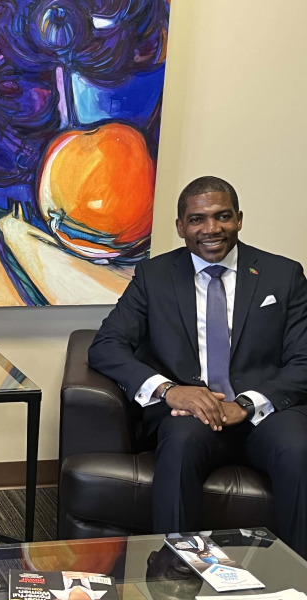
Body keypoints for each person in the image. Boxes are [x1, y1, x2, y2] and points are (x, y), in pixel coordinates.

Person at [88, 175, 307, 558]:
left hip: (265, 409)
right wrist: (171, 390)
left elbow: (303, 359)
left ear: (239, 219)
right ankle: (174, 573)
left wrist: (245, 404)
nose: (211, 229)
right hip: (190, 411)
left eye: (222, 217)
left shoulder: (283, 275)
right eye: (197, 219)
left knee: (299, 449)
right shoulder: (154, 277)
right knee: (181, 444)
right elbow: (106, 345)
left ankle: (297, 575)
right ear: (180, 226)